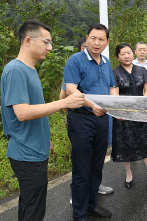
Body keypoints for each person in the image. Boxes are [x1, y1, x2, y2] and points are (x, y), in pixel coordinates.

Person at [1, 20, 85, 221]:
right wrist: (64, 103)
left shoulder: (30, 69)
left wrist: (44, 136)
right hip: (25, 151)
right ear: (28, 40)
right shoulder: (15, 70)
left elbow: (34, 109)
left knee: (33, 206)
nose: (50, 47)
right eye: (46, 42)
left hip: (35, 148)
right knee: (33, 211)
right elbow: (22, 113)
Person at [64, 23, 117, 220]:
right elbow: (71, 89)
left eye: (101, 39)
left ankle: (91, 205)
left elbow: (112, 88)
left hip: (102, 120)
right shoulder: (75, 60)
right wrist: (92, 104)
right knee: (81, 169)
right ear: (87, 38)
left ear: (107, 42)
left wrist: (114, 105)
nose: (96, 42)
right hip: (82, 120)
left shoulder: (105, 62)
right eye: (93, 38)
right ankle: (79, 214)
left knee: (96, 166)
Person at [112, 43, 147, 188]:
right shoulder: (115, 73)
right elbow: (115, 95)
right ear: (118, 57)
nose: (126, 56)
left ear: (132, 53)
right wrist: (121, 112)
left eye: (128, 52)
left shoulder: (142, 70)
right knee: (125, 145)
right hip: (124, 115)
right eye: (122, 54)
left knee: (144, 143)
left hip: (140, 112)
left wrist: (144, 109)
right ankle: (128, 174)